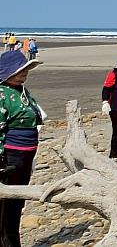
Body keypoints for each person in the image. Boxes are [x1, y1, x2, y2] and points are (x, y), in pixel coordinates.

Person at [0, 50, 43, 247]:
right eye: (21, 70)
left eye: (26, 70)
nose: (24, 74)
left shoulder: (23, 92)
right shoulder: (2, 94)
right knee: (6, 202)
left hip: (26, 155)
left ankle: (13, 240)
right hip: (10, 157)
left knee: (18, 201)